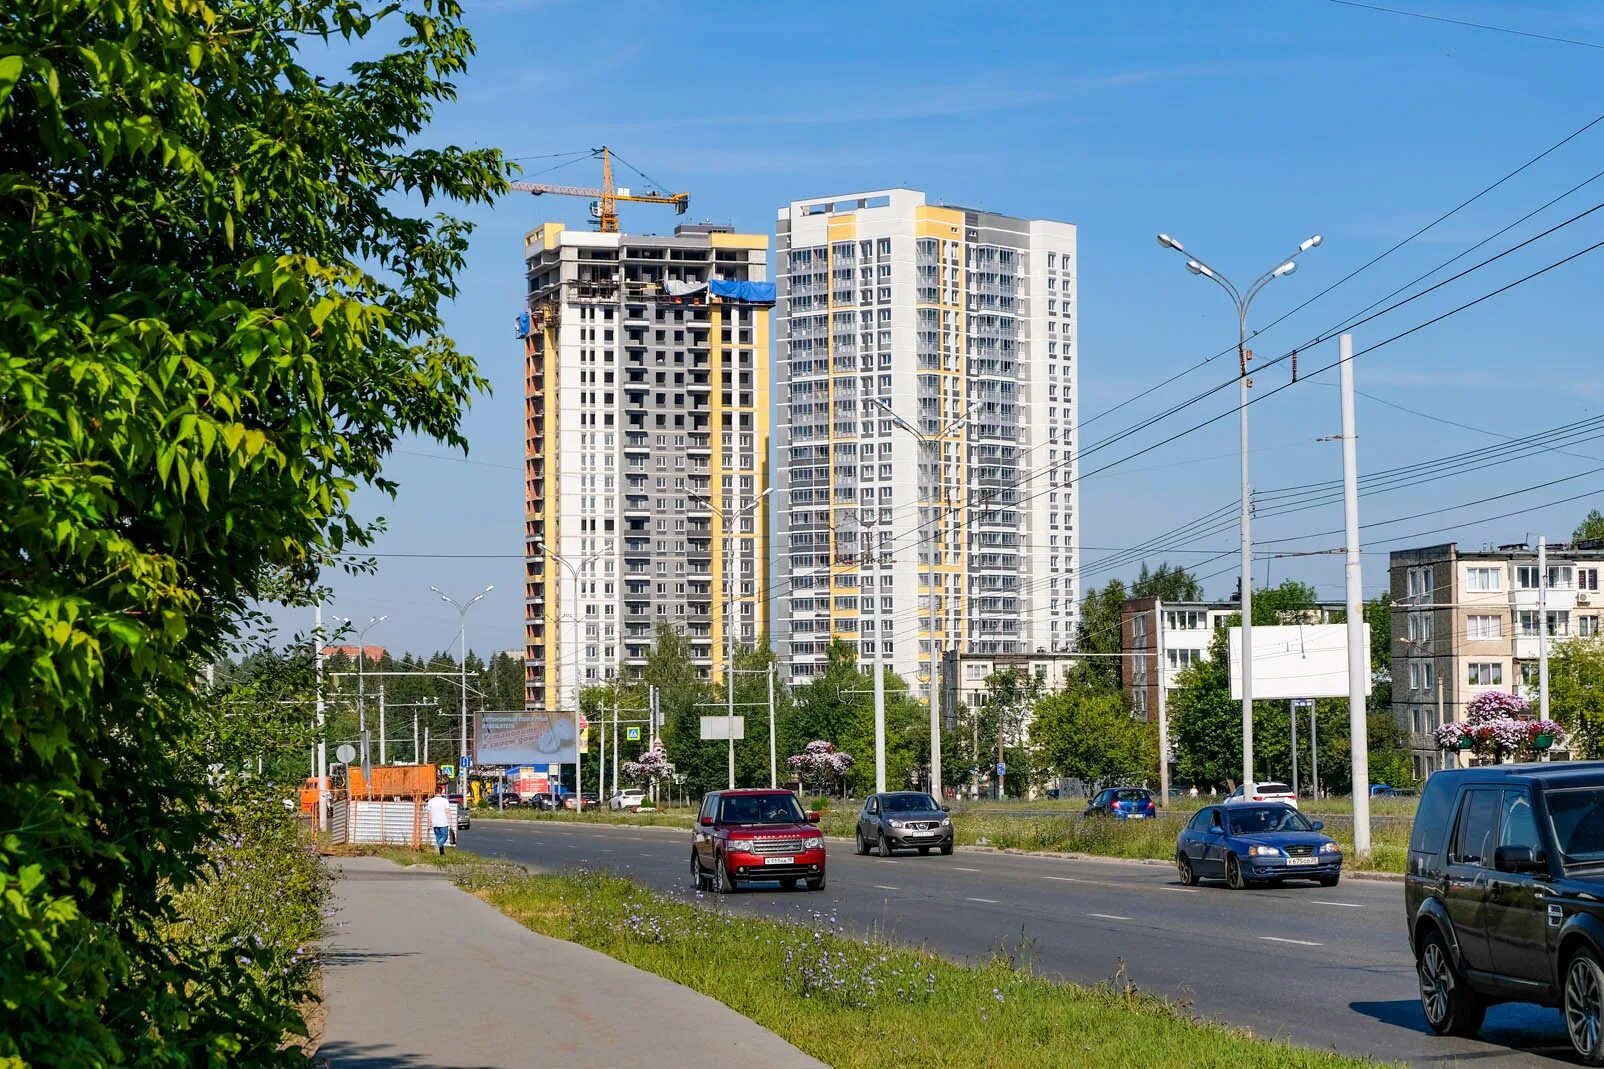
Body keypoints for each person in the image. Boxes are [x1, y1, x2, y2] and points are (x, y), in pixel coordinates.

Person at [426, 786, 452, 856]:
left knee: (438, 837)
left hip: (435, 823)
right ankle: (438, 845)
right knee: (444, 836)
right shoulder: (445, 801)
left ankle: (442, 853)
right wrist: (450, 821)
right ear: (441, 792)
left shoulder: (430, 801)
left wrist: (429, 823)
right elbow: (448, 811)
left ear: (435, 792)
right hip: (443, 822)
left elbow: (429, 814)